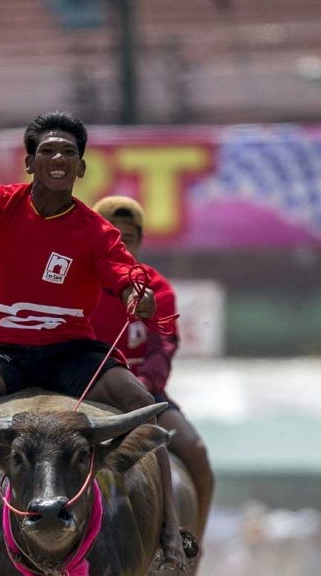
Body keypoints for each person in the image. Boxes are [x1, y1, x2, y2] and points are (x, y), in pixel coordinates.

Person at [0, 111, 188, 569]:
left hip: (69, 354)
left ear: (81, 168)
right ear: (30, 163)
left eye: (69, 152)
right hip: (1, 353)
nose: (58, 158)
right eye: (48, 150)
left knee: (140, 400)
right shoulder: (1, 203)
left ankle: (170, 528)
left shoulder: (95, 230)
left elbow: (124, 274)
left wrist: (137, 295)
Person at [91, 195, 214, 546]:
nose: (120, 245)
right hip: (80, 390)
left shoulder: (156, 289)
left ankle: (192, 546)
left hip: (142, 394)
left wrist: (140, 385)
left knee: (196, 451)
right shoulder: (76, 284)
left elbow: (163, 348)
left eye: (127, 238)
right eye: (112, 237)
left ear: (140, 242)